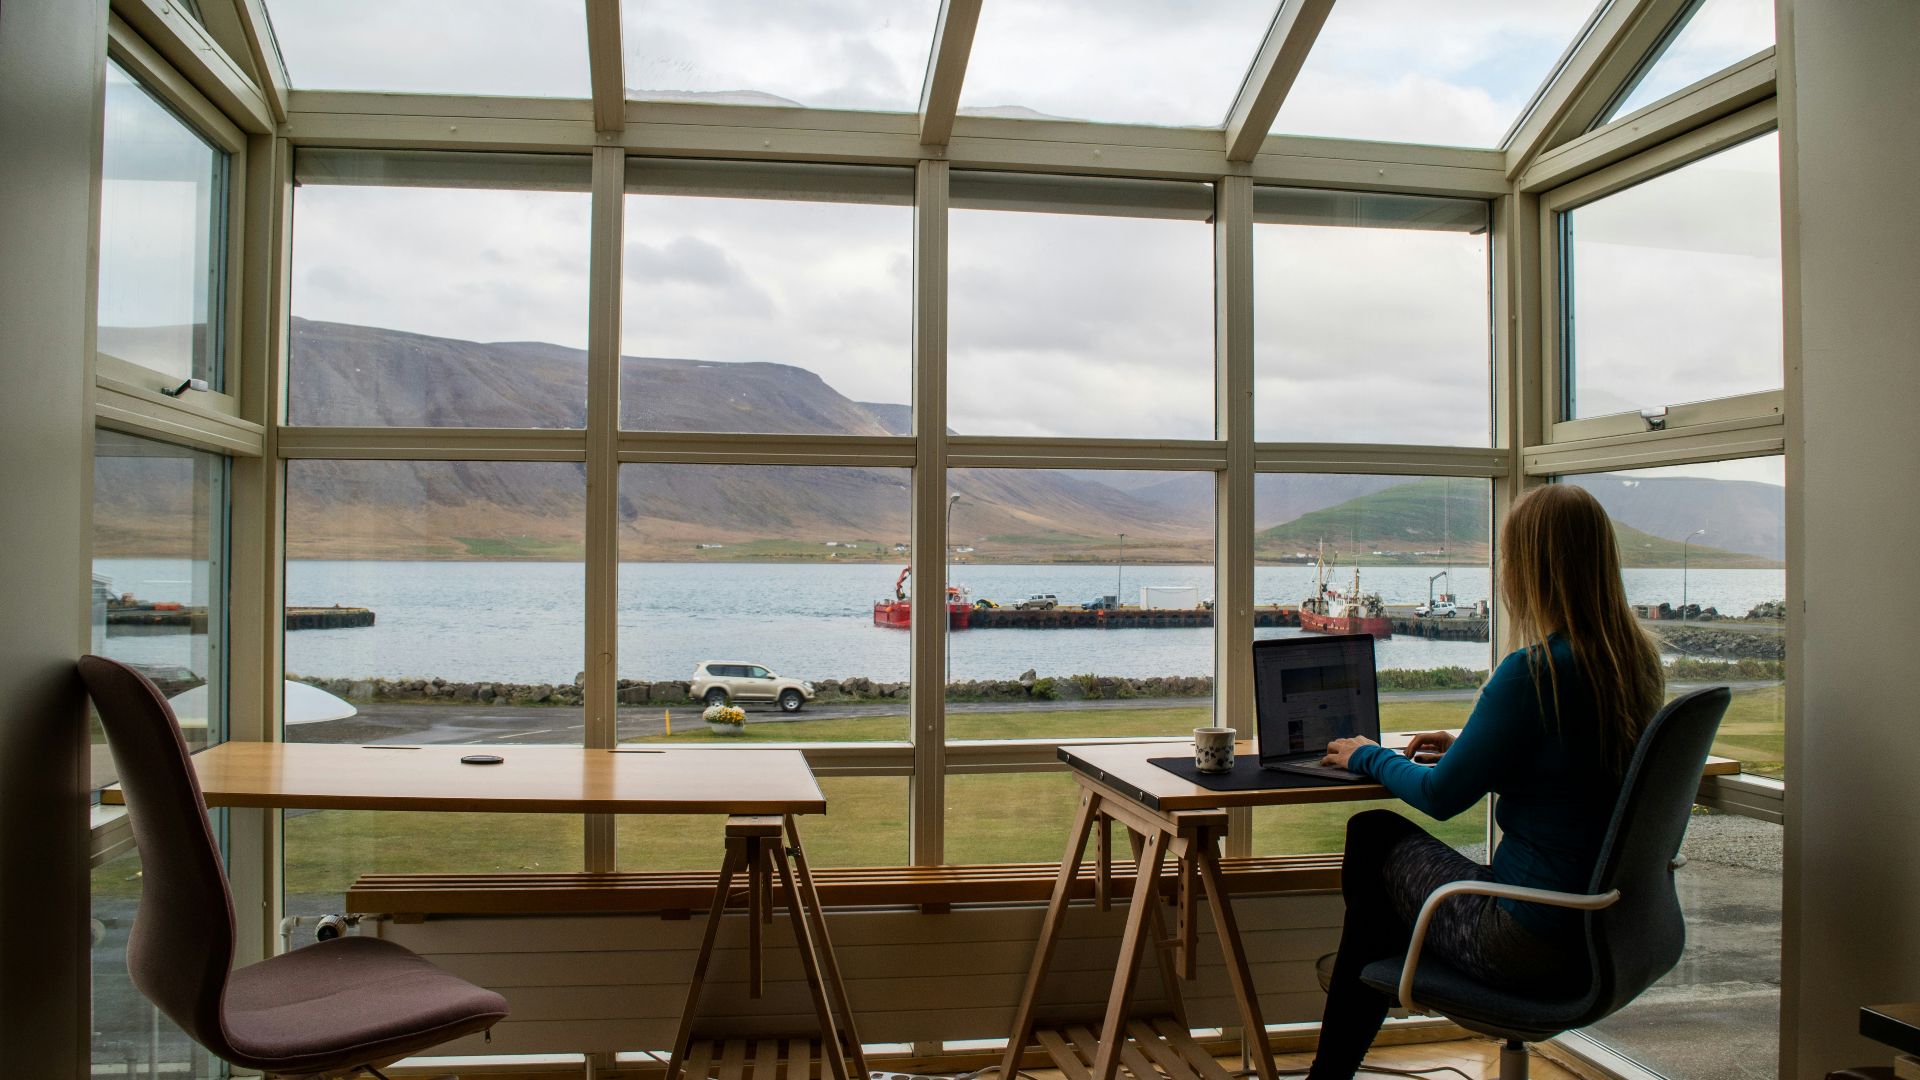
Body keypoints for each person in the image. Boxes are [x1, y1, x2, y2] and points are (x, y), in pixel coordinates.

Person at [1305, 484, 1666, 1080]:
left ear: (1528, 570)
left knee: (1373, 835)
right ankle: (1369, 999)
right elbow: (1573, 771)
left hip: (1525, 939)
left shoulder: (1535, 671)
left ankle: (1351, 1032)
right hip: (1611, 931)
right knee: (1379, 904)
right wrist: (1478, 750)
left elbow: (1441, 798)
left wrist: (1367, 754)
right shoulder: (1633, 664)